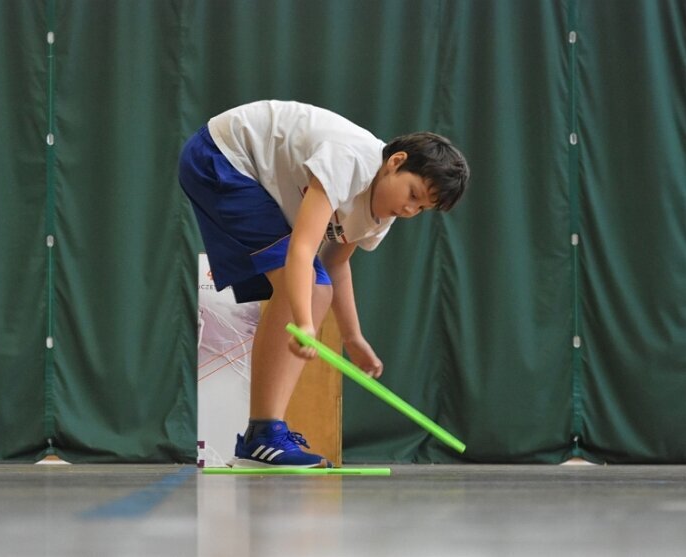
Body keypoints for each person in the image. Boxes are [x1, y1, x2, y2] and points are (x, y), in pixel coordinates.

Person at [179, 100, 469, 468]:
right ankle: (263, 434)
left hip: (245, 174)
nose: (411, 210)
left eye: (422, 209)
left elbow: (335, 265)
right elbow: (301, 249)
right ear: (395, 163)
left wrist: (353, 337)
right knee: (304, 286)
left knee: (318, 286)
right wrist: (304, 321)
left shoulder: (380, 215)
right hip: (220, 156)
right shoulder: (352, 160)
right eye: (412, 194)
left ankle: (263, 433)